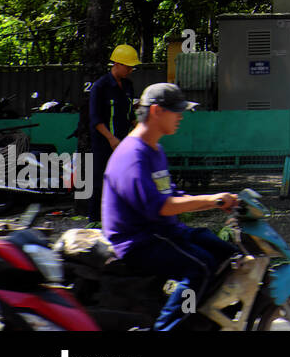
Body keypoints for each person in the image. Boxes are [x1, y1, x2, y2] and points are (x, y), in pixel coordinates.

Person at [102, 83, 238, 331]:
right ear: (156, 111)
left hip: (163, 231)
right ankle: (174, 326)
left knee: (226, 253)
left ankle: (214, 317)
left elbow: (171, 194)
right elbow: (161, 206)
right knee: (199, 266)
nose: (181, 116)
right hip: (139, 240)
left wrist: (217, 203)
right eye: (176, 111)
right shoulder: (132, 155)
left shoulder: (155, 149)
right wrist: (211, 200)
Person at [86, 44, 139, 223]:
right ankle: (94, 220)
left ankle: (119, 217)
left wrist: (139, 129)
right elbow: (95, 118)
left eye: (132, 67)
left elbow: (130, 113)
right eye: (128, 66)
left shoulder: (128, 85)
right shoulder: (100, 87)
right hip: (104, 143)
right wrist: (111, 138)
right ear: (116, 63)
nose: (130, 70)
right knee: (101, 180)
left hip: (123, 141)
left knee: (124, 179)